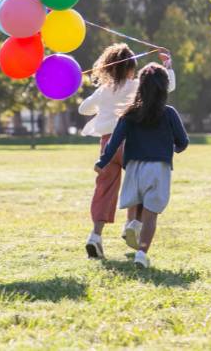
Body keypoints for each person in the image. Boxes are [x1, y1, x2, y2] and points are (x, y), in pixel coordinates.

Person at [79, 43, 175, 259]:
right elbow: (167, 87)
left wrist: (102, 103)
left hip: (107, 145)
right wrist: (168, 65)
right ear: (132, 68)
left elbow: (83, 109)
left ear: (109, 68)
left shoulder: (103, 90)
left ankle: (95, 235)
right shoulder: (136, 87)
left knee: (104, 190)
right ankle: (132, 224)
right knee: (139, 185)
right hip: (132, 143)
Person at [95, 63, 188, 269]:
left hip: (134, 168)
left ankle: (133, 224)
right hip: (158, 168)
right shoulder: (169, 113)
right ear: (164, 88)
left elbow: (114, 141)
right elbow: (183, 141)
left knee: (138, 204)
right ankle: (141, 253)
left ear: (140, 86)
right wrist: (174, 148)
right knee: (151, 214)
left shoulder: (129, 114)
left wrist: (102, 161)